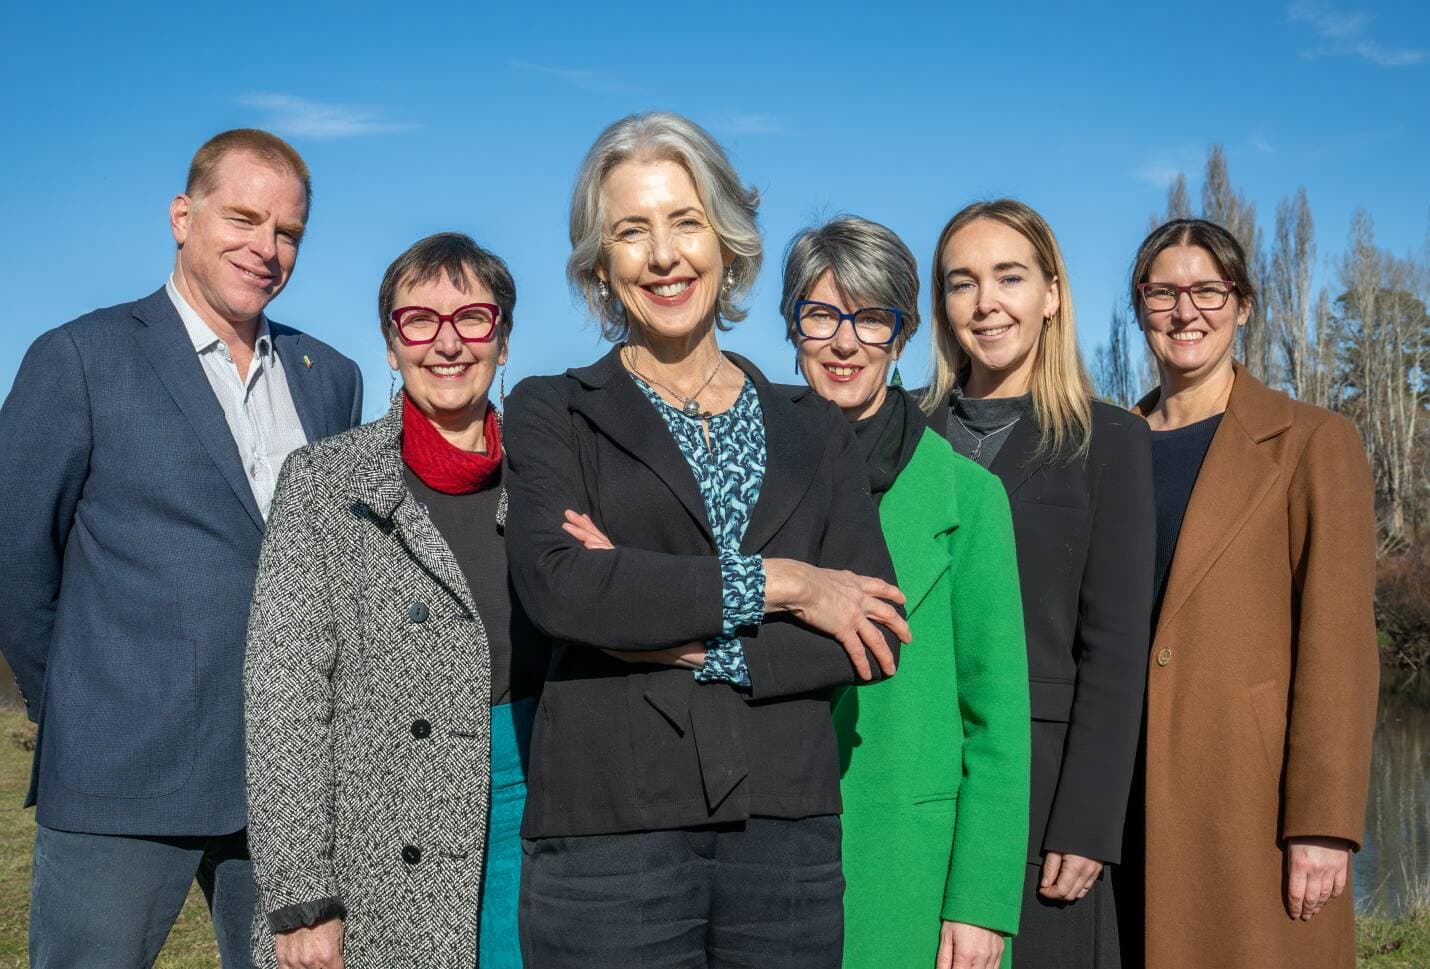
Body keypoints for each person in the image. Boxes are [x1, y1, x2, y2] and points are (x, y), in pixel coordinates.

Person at [503, 111, 910, 969]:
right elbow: (561, 588)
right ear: (601, 265)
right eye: (631, 231)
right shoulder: (554, 409)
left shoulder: (814, 428)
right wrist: (790, 584)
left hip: (785, 837)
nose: (663, 255)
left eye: (686, 222)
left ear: (727, 240)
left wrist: (655, 626)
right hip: (609, 835)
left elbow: (869, 635)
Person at [0, 129, 362, 969]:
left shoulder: (327, 375)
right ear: (182, 215)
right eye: (243, 218)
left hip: (289, 789)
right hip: (119, 776)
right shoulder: (80, 357)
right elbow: (16, 557)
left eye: (288, 233)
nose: (265, 248)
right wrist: (83, 699)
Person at [245, 232, 539, 969]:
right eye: (419, 321)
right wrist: (302, 895)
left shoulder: (551, 478)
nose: (447, 343)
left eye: (473, 318)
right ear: (389, 342)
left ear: (502, 341)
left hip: (531, 805)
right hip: (377, 838)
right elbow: (285, 698)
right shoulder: (324, 483)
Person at [1115, 219, 1378, 969]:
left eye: (1207, 290)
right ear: (1140, 305)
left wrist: (1324, 821)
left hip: (1244, 802)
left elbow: (1339, 646)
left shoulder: (1311, 440)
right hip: (1119, 795)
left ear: (1244, 305)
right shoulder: (1109, 444)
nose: (1184, 310)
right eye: (1163, 291)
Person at [782, 215, 1030, 969]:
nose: (845, 341)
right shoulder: (753, 481)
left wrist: (981, 902)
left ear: (904, 331)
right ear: (793, 325)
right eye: (821, 315)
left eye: (871, 318)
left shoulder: (970, 497)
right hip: (769, 871)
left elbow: (998, 721)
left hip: (914, 875)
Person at [924, 199, 1155, 968]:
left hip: (1043, 794)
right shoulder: (903, 433)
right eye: (962, 282)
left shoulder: (1110, 440)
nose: (986, 303)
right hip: (914, 778)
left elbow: (1117, 649)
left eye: (1009, 277)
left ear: (1052, 294)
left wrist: (1089, 821)